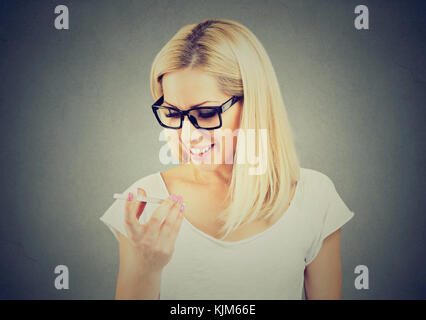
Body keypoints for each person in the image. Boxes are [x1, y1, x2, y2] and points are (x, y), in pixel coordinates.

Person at [100, 18, 355, 300]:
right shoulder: (144, 204)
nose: (188, 135)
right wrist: (146, 270)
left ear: (253, 103)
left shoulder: (314, 197)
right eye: (172, 114)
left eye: (207, 113)